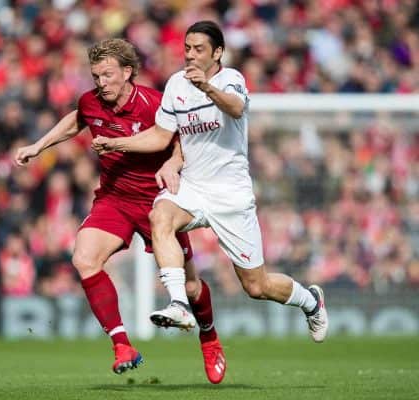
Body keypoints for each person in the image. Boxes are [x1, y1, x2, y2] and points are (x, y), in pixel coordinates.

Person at [92, 21, 329, 343]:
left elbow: (235, 108)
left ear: (217, 52)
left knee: (256, 286)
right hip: (192, 187)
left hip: (231, 193)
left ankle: (310, 301)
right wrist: (116, 144)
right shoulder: (176, 84)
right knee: (160, 215)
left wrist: (207, 87)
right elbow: (161, 135)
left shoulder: (231, 80)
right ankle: (178, 303)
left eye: (198, 49)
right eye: (187, 48)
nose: (190, 55)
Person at [15, 38, 226, 383]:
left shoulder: (154, 103)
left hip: (160, 203)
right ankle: (122, 346)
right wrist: (38, 146)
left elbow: (183, 143)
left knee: (190, 287)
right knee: (84, 258)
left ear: (127, 72)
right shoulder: (91, 101)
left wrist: (173, 164)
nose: (101, 83)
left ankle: (209, 336)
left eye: (108, 75)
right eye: (96, 76)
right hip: (114, 199)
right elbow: (77, 119)